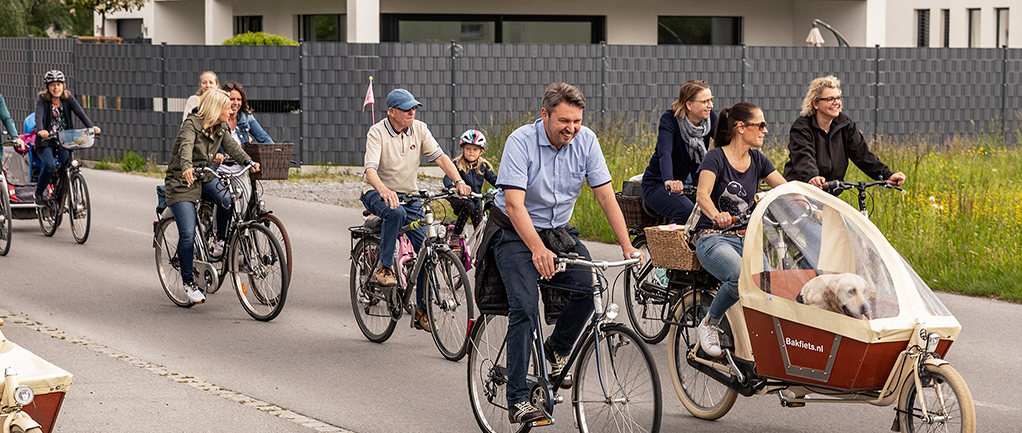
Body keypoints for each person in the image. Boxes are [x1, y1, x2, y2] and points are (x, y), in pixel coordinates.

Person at [491, 82, 638, 424]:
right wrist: (537, 249)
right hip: (515, 232)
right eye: (564, 121)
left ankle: (555, 349)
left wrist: (627, 245)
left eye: (577, 121)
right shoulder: (520, 141)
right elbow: (514, 205)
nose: (571, 129)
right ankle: (517, 398)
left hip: (556, 232)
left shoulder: (585, 140)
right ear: (545, 115)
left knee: (590, 287)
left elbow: (605, 197)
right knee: (525, 309)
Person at [361, 88, 471, 332]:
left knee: (425, 252)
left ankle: (421, 308)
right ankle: (385, 266)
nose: (412, 112)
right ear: (391, 112)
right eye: (406, 108)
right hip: (376, 192)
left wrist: (459, 181)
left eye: (414, 108)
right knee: (396, 212)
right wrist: (383, 190)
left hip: (409, 196)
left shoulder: (419, 129)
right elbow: (370, 170)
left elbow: (441, 157)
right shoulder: (377, 131)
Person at [692, 102, 787, 358]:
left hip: (746, 238)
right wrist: (716, 215)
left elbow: (784, 189)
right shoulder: (716, 158)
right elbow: (702, 195)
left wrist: (812, 202)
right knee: (738, 276)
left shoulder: (758, 159)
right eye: (761, 125)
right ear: (741, 127)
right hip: (713, 238)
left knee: (769, 287)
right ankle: (709, 323)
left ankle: (762, 347)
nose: (765, 131)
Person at [164, 88, 259, 305]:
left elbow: (232, 147)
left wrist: (248, 162)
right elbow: (186, 147)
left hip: (205, 175)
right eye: (227, 108)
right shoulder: (192, 124)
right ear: (216, 110)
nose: (231, 111)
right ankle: (188, 282)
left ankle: (220, 239)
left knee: (228, 199)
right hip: (182, 181)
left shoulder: (221, 127)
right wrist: (187, 167)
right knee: (187, 233)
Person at [783, 75, 906, 189]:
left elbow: (862, 154)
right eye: (830, 99)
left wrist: (887, 175)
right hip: (802, 193)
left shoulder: (845, 124)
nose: (836, 102)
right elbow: (804, 156)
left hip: (830, 193)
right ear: (815, 103)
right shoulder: (802, 128)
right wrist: (812, 177)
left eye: (838, 98)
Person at [641, 79, 718, 223]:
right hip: (659, 184)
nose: (710, 105)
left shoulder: (710, 119)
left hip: (693, 186)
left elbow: (724, 147)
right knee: (685, 211)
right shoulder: (670, 119)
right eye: (705, 101)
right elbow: (665, 152)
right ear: (689, 104)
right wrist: (669, 180)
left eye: (711, 100)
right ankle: (671, 245)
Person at [34, 70, 101, 206]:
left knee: (70, 167)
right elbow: (39, 116)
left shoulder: (68, 99)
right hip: (46, 141)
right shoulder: (42, 100)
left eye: (59, 84)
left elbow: (80, 114)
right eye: (52, 85)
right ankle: (39, 192)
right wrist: (41, 130)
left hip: (64, 140)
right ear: (47, 87)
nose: (56, 88)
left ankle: (76, 201)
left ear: (63, 86)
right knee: (50, 166)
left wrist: (91, 127)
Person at [441, 129, 497, 238]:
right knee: (468, 205)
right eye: (468, 148)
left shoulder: (483, 166)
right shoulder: (456, 164)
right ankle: (455, 236)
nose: (471, 151)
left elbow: (494, 180)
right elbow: (447, 178)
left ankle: (480, 251)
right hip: (460, 200)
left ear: (480, 152)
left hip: (476, 201)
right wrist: (451, 187)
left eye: (475, 149)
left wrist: (505, 187)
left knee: (480, 229)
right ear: (463, 149)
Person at [221, 81, 273, 145]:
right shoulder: (217, 118)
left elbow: (263, 138)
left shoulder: (246, 117)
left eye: (239, 99)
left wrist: (275, 151)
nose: (236, 103)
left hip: (242, 154)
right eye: (232, 99)